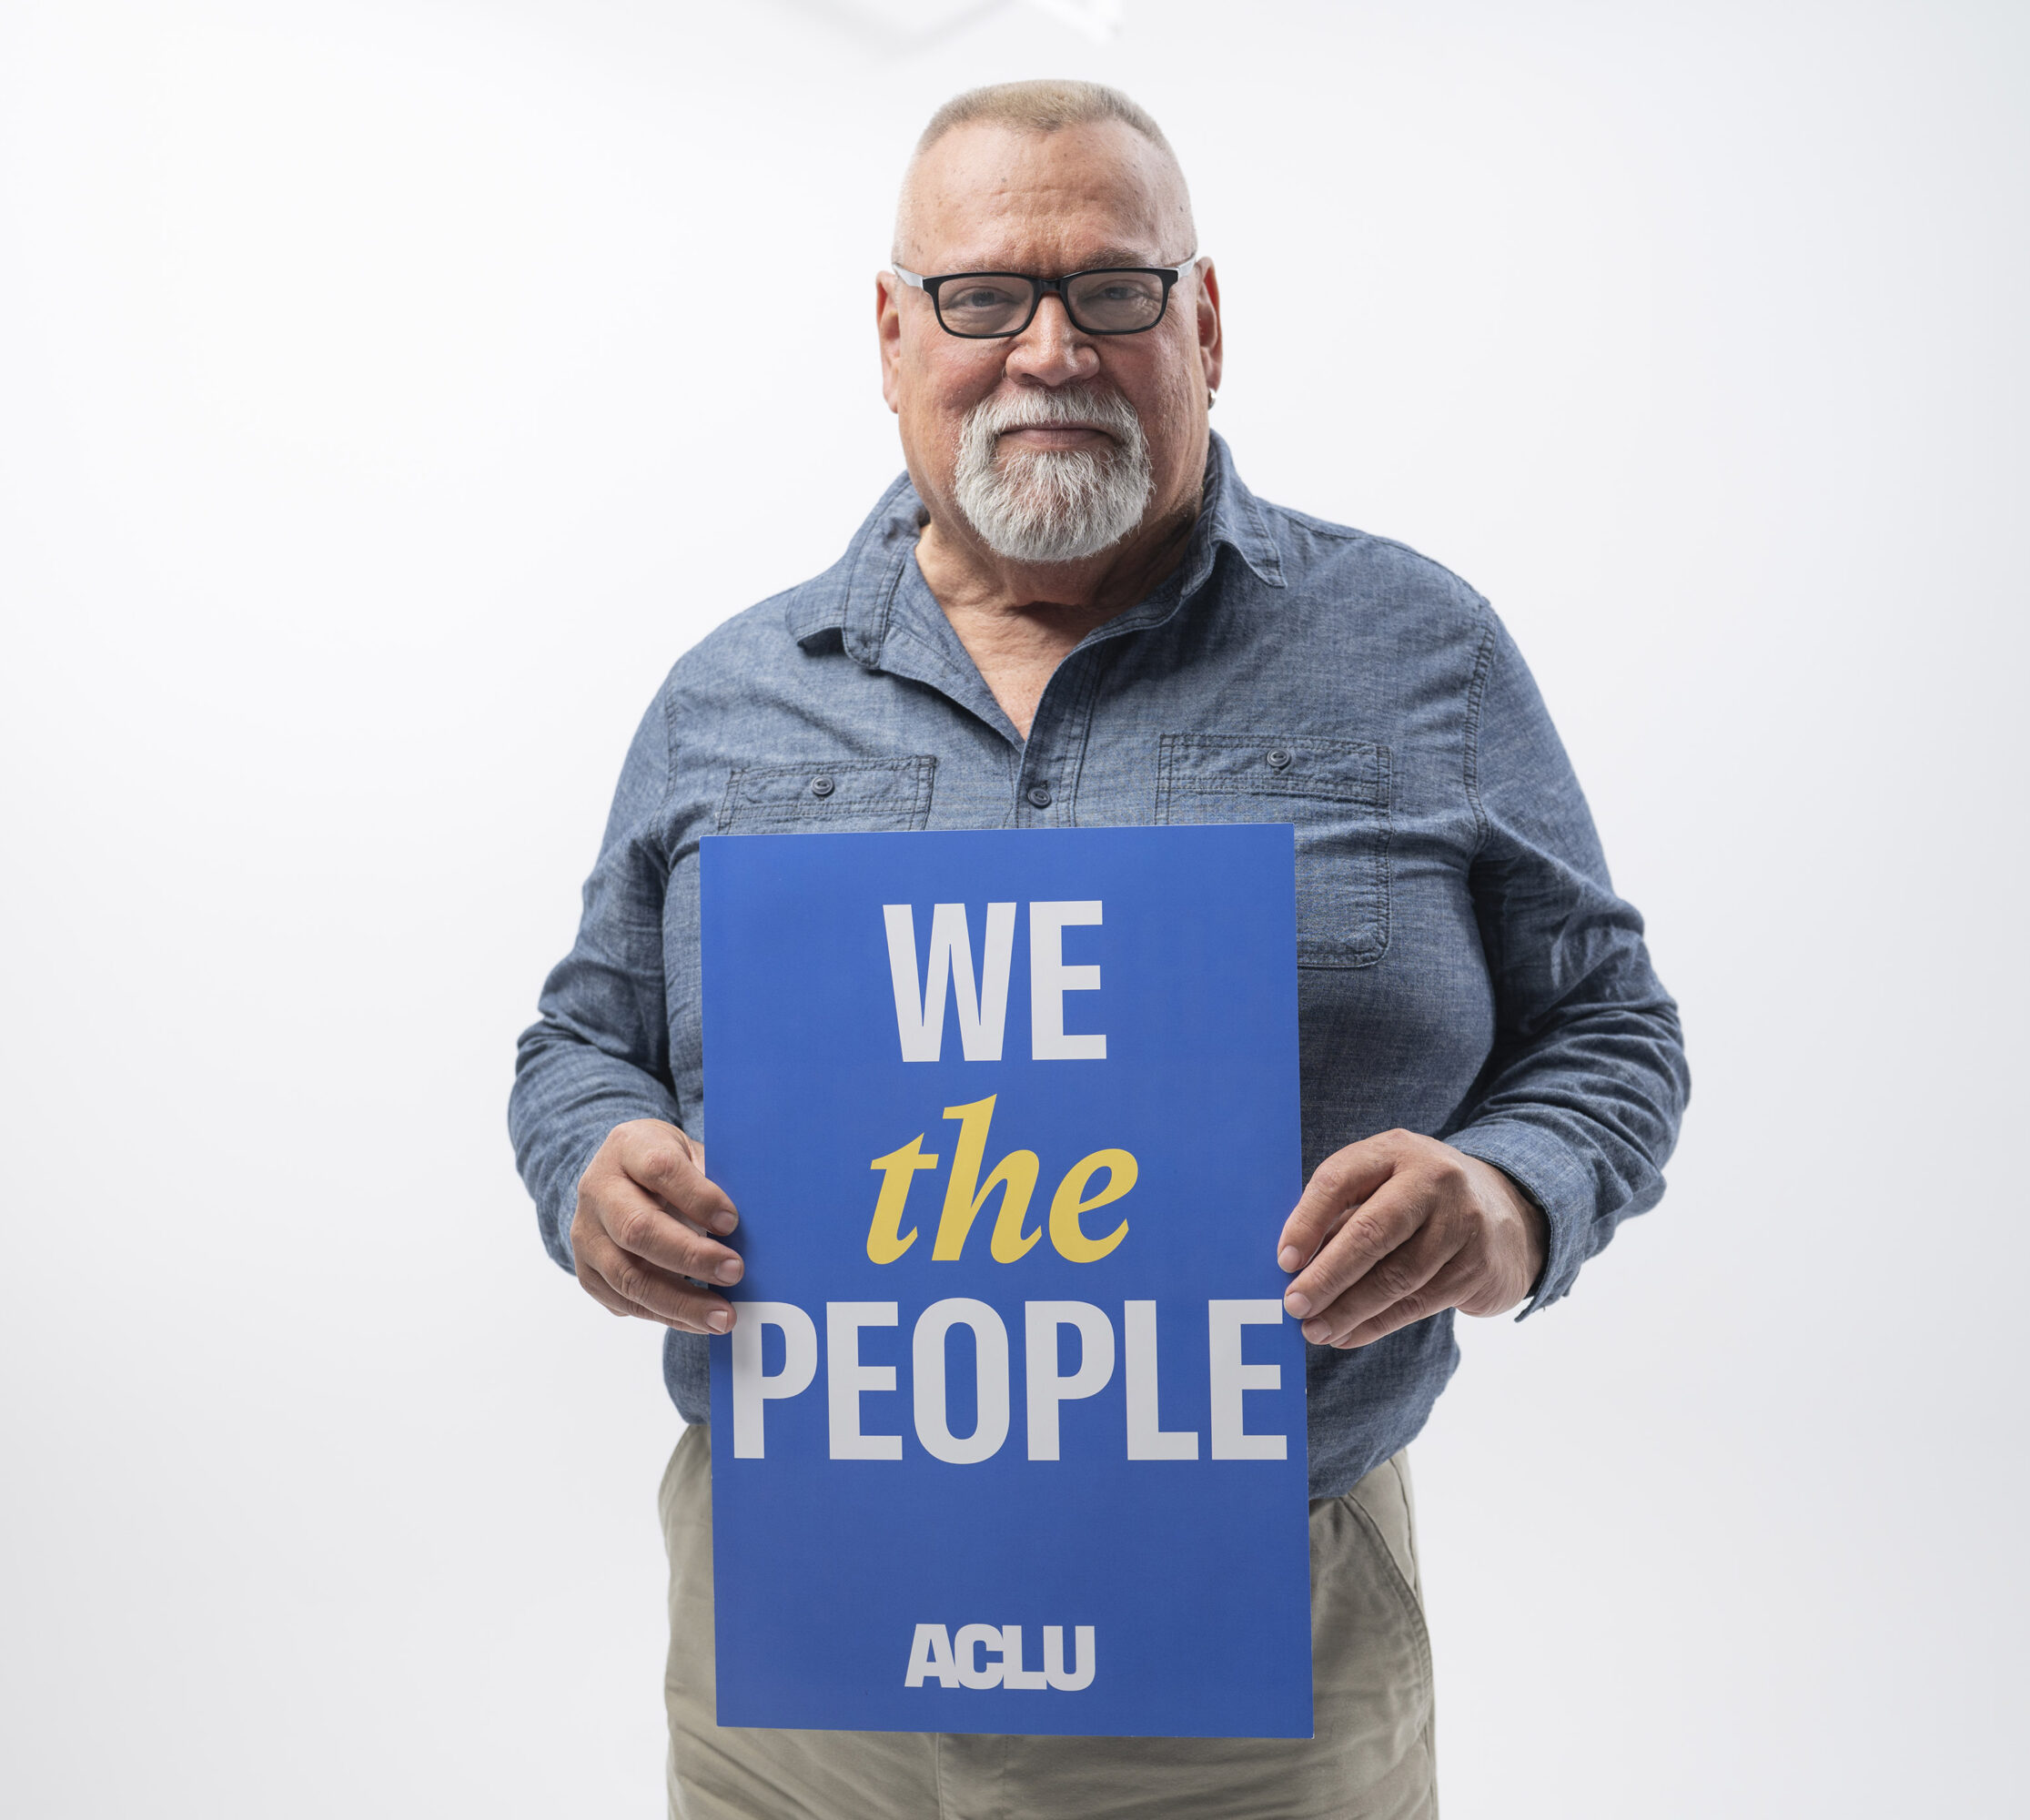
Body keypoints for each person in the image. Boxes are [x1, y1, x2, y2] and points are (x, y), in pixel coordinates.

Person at [510, 78, 1688, 1820]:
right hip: (803, 1662)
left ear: (1203, 323)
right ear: (895, 337)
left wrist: (1511, 1197)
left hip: (1257, 1662)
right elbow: (580, 1041)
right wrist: (592, 1164)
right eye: (984, 296)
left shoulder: (1418, 654)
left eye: (1113, 290)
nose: (1049, 349)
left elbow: (1610, 1032)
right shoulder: (728, 700)